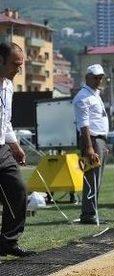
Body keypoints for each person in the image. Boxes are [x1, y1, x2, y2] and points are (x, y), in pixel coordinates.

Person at [0, 42, 33, 257]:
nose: (18, 70)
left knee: (18, 189)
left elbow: (6, 120)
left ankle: (8, 242)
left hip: (2, 148)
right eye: (14, 64)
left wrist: (15, 146)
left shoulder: (9, 86)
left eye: (21, 65)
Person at [72, 64, 109, 225]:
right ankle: (88, 214)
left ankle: (92, 212)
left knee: (97, 179)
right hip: (91, 141)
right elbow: (84, 125)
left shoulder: (94, 95)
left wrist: (103, 142)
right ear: (87, 77)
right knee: (91, 179)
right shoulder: (83, 97)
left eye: (100, 77)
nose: (99, 80)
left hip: (98, 140)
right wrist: (89, 148)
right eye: (95, 77)